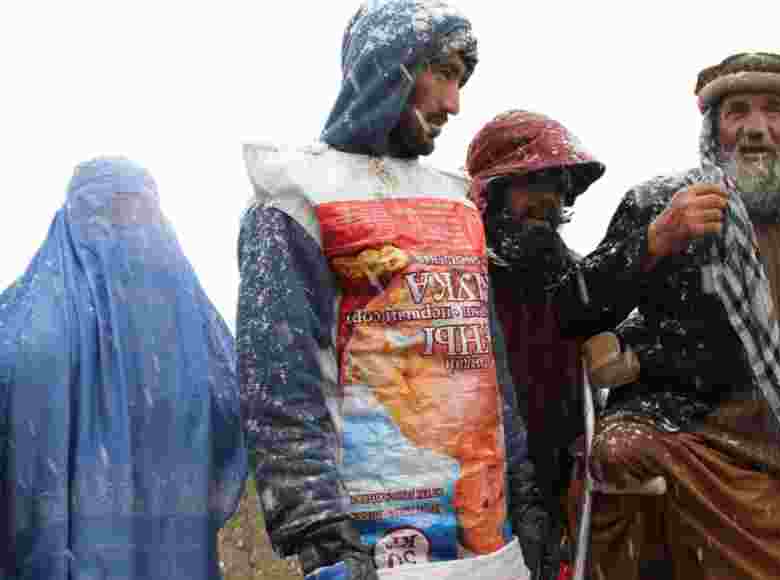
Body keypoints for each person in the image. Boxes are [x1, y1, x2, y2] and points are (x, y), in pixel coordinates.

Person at [556, 53, 780, 580]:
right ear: (715, 128)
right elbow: (571, 310)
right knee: (621, 455)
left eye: (775, 111)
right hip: (697, 456)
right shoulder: (662, 202)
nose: (756, 129)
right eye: (737, 112)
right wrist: (654, 241)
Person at [237, 2, 544, 579]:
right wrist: (318, 531)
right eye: (445, 74)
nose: (455, 104)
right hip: (372, 544)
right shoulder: (296, 196)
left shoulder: (455, 202)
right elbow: (279, 381)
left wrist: (523, 490)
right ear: (391, 65)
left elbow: (486, 364)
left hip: (485, 536)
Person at [0, 157, 247, 579]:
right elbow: (238, 417)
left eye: (138, 215)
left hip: (55, 553)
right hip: (172, 553)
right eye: (117, 213)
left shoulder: (21, 322)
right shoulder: (193, 325)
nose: (128, 230)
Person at [465, 109, 607, 577]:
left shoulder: (578, 280)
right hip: (478, 492)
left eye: (558, 185)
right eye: (533, 182)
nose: (548, 199)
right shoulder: (459, 279)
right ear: (494, 191)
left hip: (563, 493)